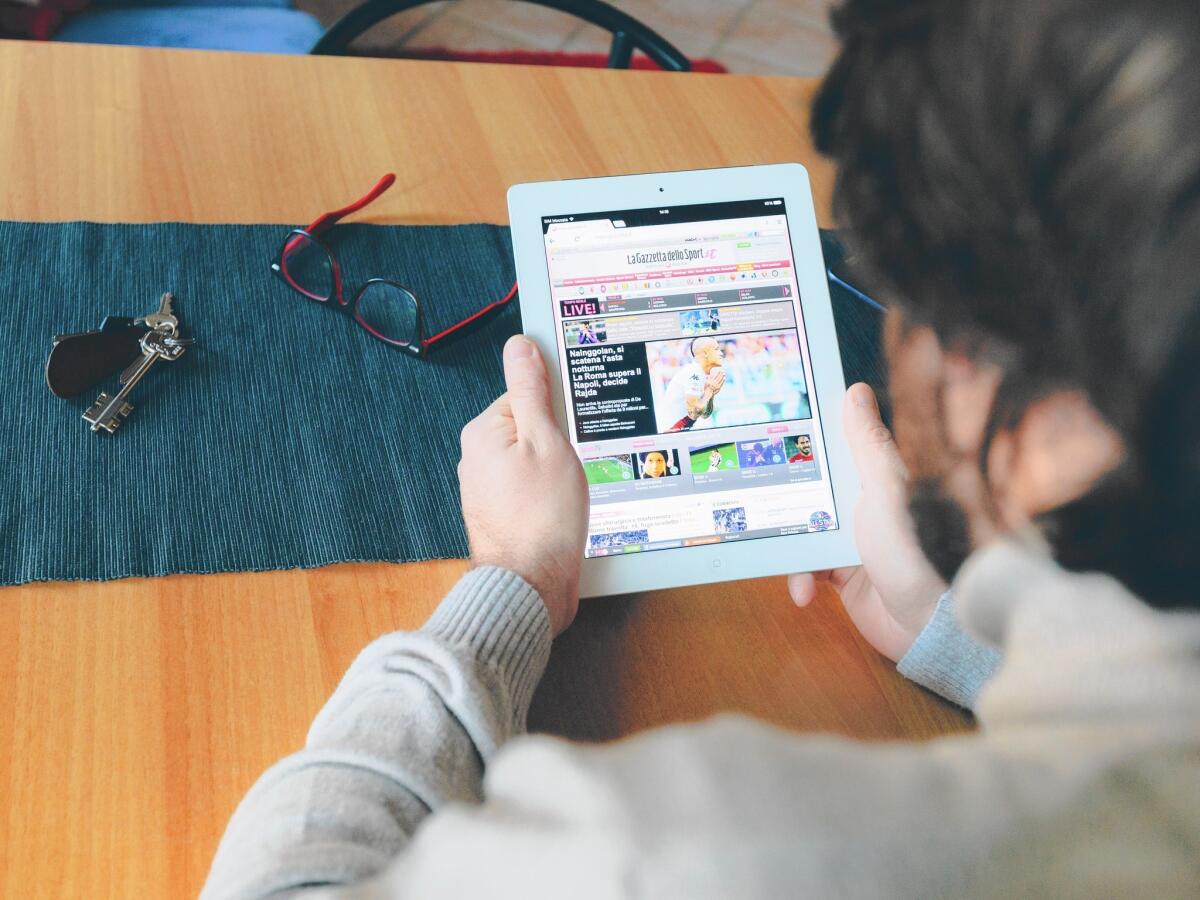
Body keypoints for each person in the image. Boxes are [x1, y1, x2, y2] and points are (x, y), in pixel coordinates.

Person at [203, 1, 1200, 896]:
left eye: (909, 302)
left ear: (1027, 414)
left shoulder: (689, 853)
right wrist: (964, 637)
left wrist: (516, 579)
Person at [657, 336, 726, 432]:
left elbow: (704, 415)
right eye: (717, 349)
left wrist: (711, 393)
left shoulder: (701, 374)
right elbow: (694, 413)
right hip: (670, 432)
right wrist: (709, 391)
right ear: (705, 353)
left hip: (680, 430)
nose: (721, 353)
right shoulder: (693, 373)